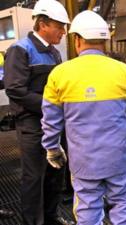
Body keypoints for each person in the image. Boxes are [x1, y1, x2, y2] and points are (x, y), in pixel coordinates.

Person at [41, 10, 126, 225]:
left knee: (87, 210)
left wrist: (53, 148)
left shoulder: (59, 74)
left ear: (78, 40)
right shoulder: (124, 71)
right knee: (124, 206)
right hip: (119, 159)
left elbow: (50, 119)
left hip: (83, 162)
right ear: (105, 40)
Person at [3, 1, 74, 225]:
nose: (63, 32)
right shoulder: (21, 49)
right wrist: (52, 105)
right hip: (32, 126)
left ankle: (51, 217)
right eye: (59, 26)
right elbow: (15, 89)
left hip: (55, 124)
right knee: (34, 178)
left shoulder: (55, 53)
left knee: (55, 174)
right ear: (43, 24)